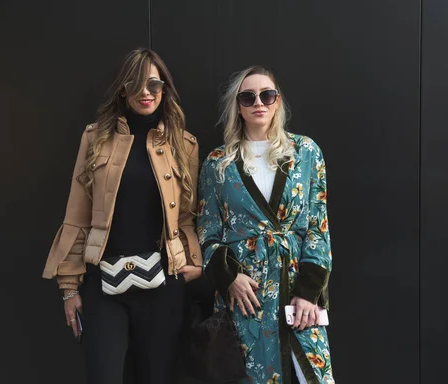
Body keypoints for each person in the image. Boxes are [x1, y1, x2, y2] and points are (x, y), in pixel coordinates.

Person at [42, 48, 203, 384]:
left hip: (163, 284)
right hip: (103, 283)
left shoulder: (184, 145)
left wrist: (194, 263)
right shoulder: (95, 138)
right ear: (123, 89)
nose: (145, 93)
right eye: (135, 84)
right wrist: (70, 289)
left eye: (154, 85)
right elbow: (77, 214)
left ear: (165, 90)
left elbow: (186, 218)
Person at [197, 65, 335, 384]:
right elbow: (207, 230)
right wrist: (229, 277)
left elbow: (318, 226)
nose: (259, 102)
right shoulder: (218, 163)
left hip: (297, 291)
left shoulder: (306, 153)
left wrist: (308, 291)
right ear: (238, 107)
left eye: (267, 95)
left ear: (277, 101)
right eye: (248, 97)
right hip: (247, 297)